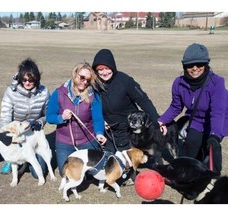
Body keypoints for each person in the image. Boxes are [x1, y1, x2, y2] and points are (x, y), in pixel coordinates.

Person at [158, 43, 228, 175]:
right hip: (197, 119)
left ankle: (214, 179)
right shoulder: (179, 83)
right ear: (184, 66)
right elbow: (176, 107)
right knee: (192, 143)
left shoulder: (217, 82)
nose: (195, 68)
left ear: (206, 64)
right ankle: (189, 174)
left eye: (199, 64)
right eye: (190, 65)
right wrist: (161, 121)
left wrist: (215, 136)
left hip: (219, 119)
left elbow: (218, 112)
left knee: (211, 148)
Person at [92, 48, 161, 153]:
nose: (104, 72)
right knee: (107, 161)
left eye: (107, 68)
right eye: (100, 69)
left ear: (113, 67)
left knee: (125, 162)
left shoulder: (125, 81)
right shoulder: (94, 84)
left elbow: (143, 100)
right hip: (106, 130)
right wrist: (101, 121)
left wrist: (157, 121)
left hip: (128, 129)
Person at [46, 62, 107, 177]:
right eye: (82, 77)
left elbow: (98, 119)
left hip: (87, 140)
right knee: (65, 174)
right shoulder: (59, 93)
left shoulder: (93, 95)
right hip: (64, 142)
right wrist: (61, 117)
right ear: (75, 74)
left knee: (92, 174)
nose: (84, 82)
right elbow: (50, 117)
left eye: (88, 80)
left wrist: (99, 133)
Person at [0, 58, 50, 177]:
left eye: (31, 80)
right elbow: (5, 115)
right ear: (20, 78)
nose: (27, 83)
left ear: (36, 79)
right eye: (24, 80)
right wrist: (4, 132)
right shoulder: (10, 92)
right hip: (16, 132)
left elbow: (48, 114)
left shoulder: (44, 92)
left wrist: (40, 122)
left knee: (38, 173)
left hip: (33, 133)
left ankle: (30, 155)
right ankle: (10, 160)